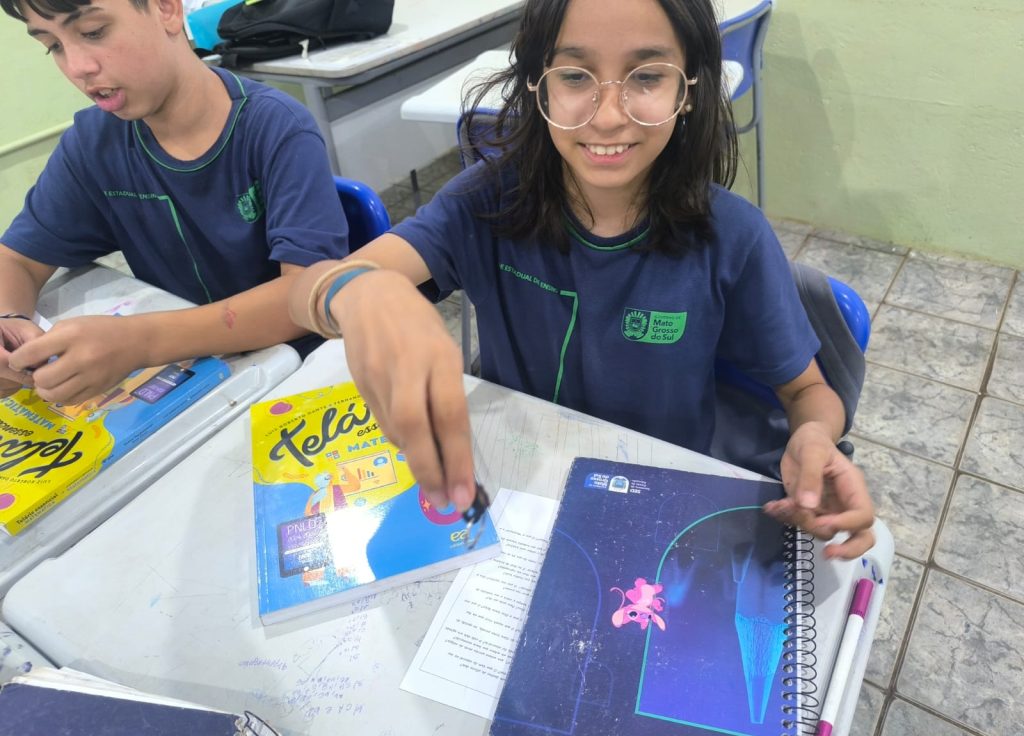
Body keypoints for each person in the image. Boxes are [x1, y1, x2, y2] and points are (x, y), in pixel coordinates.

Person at [289, 0, 876, 559]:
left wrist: (813, 437)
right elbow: (312, 289)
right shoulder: (486, 202)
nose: (609, 114)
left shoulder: (733, 238)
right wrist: (355, 291)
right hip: (515, 492)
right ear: (536, 84)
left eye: (647, 76)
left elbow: (807, 392)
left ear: (689, 90)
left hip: (656, 505)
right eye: (575, 76)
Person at [0, 0, 347, 405]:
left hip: (297, 376)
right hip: (196, 378)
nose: (77, 67)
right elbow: (17, 259)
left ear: (166, 8)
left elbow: (306, 295)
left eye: (93, 32)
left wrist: (140, 342)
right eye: (53, 45)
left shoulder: (275, 129)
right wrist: (9, 323)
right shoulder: (94, 145)